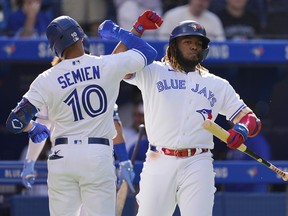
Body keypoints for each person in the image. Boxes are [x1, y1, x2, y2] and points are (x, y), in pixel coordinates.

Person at [6, 14, 158, 216]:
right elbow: (148, 52)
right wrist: (123, 31)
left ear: (55, 48)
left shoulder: (45, 79)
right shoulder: (106, 65)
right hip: (97, 154)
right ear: (80, 37)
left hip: (62, 155)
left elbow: (15, 121)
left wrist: (33, 128)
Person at [113, 13, 262, 215]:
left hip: (197, 162)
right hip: (159, 159)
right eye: (188, 41)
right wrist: (137, 29)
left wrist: (242, 130)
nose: (194, 46)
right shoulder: (153, 71)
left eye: (198, 43)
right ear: (174, 45)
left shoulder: (217, 84)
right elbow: (114, 66)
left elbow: (251, 119)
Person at [158, 0, 225, 41]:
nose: (201, 2)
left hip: (209, 61)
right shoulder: (172, 15)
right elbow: (162, 39)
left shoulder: (214, 19)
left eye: (205, 0)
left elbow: (221, 44)